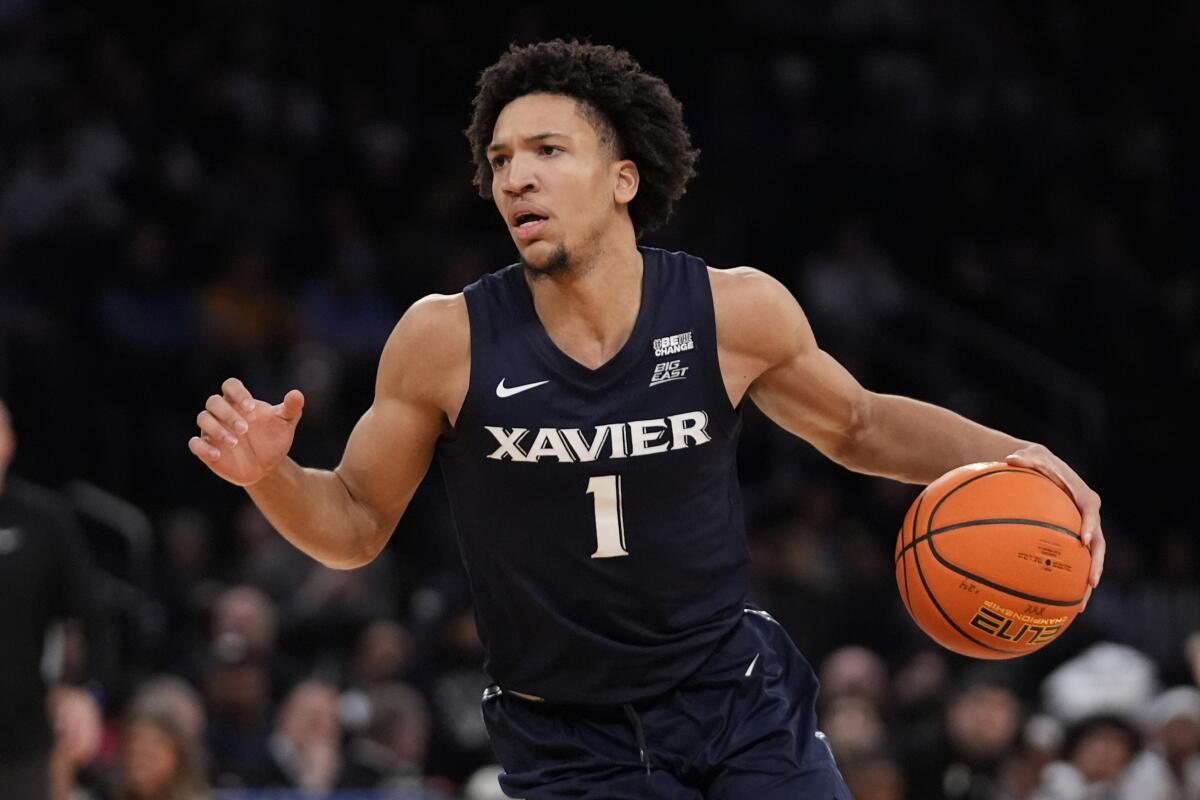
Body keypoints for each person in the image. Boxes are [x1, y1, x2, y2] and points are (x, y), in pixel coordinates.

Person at [188, 39, 1106, 799]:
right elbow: (352, 525)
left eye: (548, 151)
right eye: (501, 161)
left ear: (623, 177)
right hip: (566, 737)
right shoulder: (444, 339)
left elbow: (859, 426)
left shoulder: (732, 310)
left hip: (733, 698)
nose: (516, 179)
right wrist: (270, 473)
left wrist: (1018, 453)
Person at [0, 397, 106, 800]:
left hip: (21, 740)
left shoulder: (43, 521)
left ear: (9, 442)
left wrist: (89, 693)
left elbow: (94, 615)